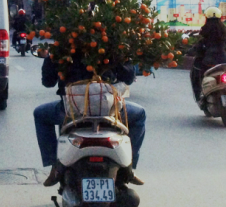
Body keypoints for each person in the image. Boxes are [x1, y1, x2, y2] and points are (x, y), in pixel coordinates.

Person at [35, 56, 146, 187]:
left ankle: (55, 166)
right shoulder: (113, 49)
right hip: (109, 110)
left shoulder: (63, 51)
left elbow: (48, 82)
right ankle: (129, 166)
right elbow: (128, 78)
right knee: (139, 114)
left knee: (40, 114)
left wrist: (52, 59)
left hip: (72, 111)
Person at [190, 7, 226, 101]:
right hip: (224, 62)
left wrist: (193, 50)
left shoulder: (205, 30)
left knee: (196, 76)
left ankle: (200, 97)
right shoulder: (224, 30)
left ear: (206, 18)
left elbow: (199, 47)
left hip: (208, 63)